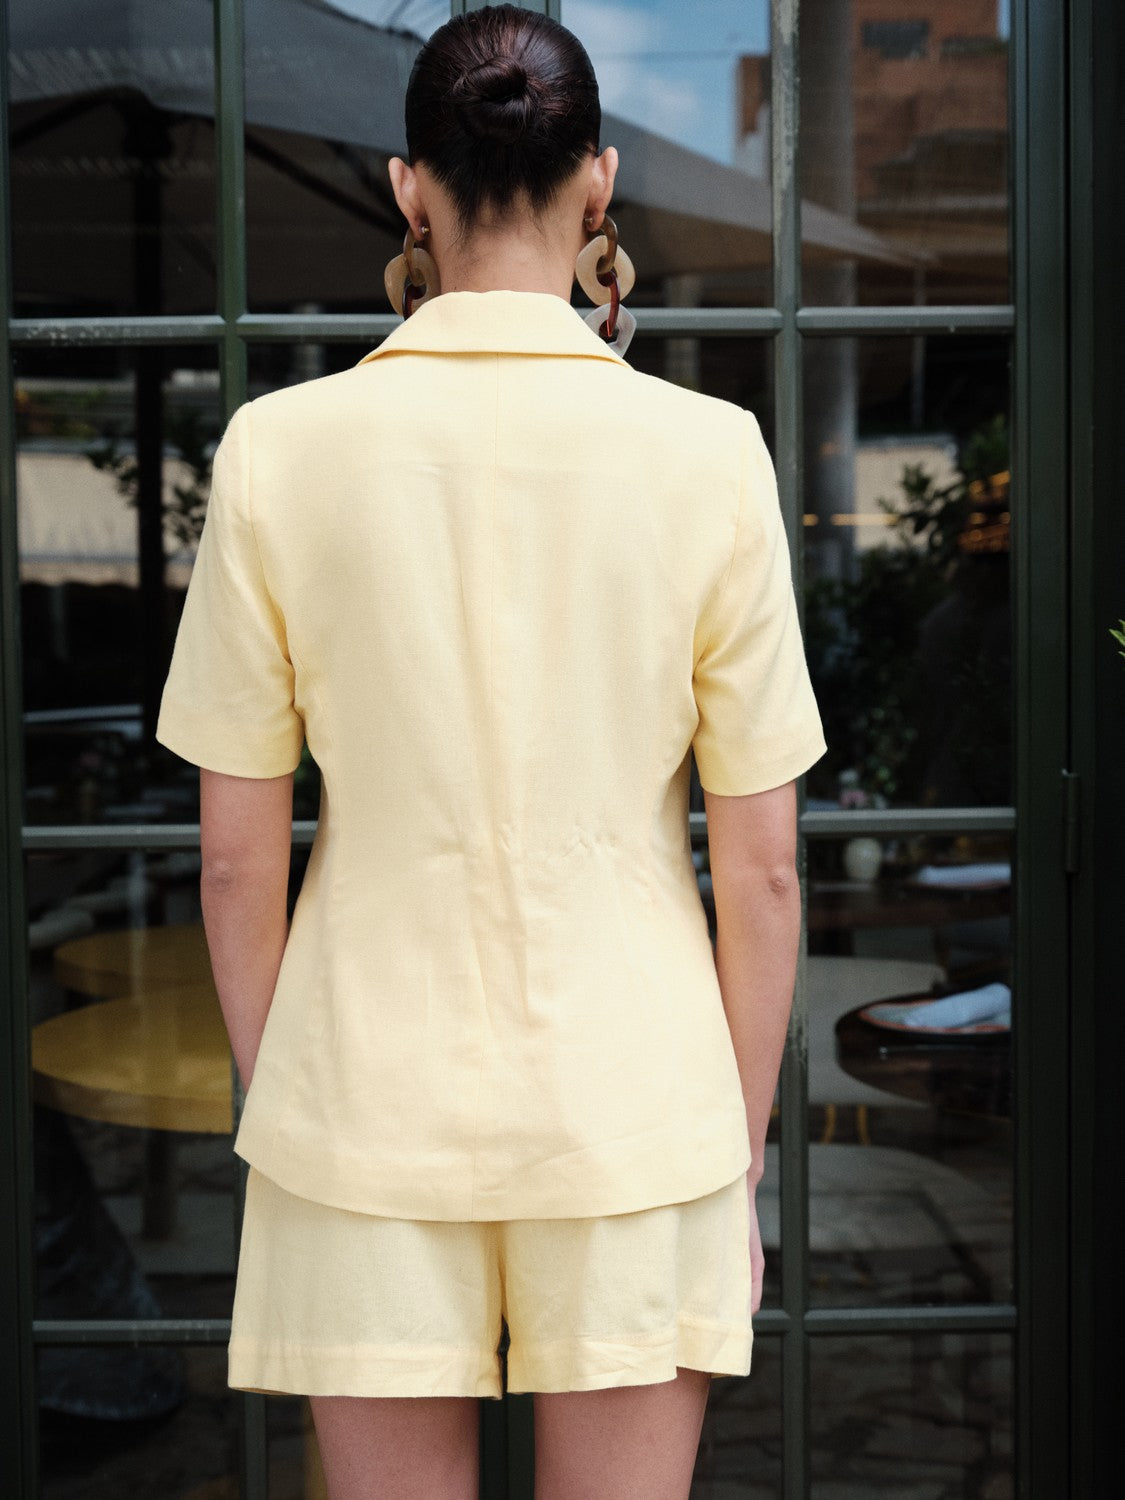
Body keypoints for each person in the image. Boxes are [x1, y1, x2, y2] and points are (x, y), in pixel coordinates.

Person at [155, 6, 827, 1497]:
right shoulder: (711, 455)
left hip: (362, 1102)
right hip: (637, 1112)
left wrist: (293, 1105)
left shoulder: (276, 451)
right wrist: (735, 1153)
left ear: (409, 186)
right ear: (598, 182)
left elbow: (234, 865)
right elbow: (765, 872)